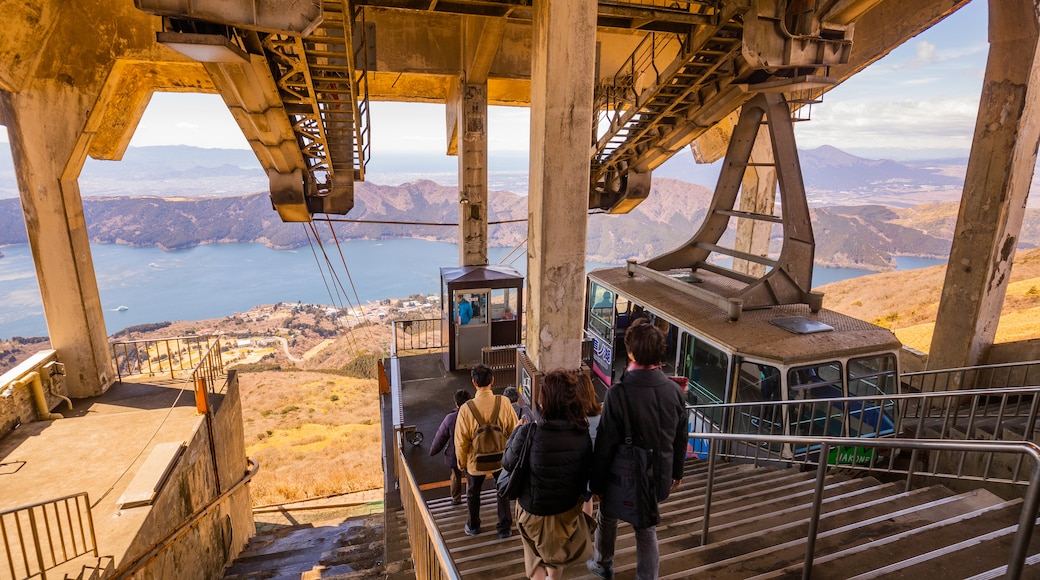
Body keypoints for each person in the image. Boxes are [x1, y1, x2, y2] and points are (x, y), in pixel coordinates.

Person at [587, 318, 687, 580]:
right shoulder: (675, 392)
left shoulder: (619, 393)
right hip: (658, 474)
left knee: (608, 516)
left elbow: (606, 442)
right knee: (645, 526)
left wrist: (596, 482)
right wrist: (677, 471)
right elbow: (680, 437)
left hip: (623, 475)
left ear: (631, 352)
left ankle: (603, 563)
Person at [503, 370, 595, 580]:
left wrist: (516, 432)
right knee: (555, 553)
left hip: (532, 511)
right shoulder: (582, 435)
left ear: (545, 402)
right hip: (566, 511)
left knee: (533, 553)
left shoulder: (530, 433)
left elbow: (507, 462)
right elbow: (585, 474)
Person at [455, 363, 518, 538]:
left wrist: (461, 462)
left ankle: (473, 525)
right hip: (501, 459)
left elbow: (461, 440)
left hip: (476, 462)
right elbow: (514, 432)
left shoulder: (466, 408)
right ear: (492, 380)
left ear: (474, 383)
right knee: (502, 490)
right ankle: (504, 528)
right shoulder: (504, 402)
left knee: (473, 493)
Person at [429, 388, 472, 506]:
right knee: (470, 476)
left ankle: (456, 499)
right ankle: (471, 499)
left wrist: (433, 450)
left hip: (454, 454)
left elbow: (441, 437)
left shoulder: (450, 418)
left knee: (455, 476)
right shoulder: (474, 415)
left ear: (456, 404)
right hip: (471, 452)